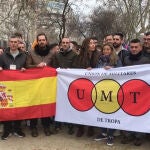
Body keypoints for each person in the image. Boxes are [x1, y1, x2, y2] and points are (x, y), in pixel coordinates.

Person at [121, 39, 150, 146]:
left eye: (136, 47)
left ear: (141, 47)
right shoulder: (126, 59)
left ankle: (139, 136)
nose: (133, 49)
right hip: (128, 91)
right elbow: (120, 73)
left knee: (141, 114)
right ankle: (128, 134)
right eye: (132, 47)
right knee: (127, 113)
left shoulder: (146, 60)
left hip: (143, 94)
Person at [73, 37, 101, 137]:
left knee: (93, 106)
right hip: (83, 85)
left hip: (95, 85)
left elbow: (100, 68)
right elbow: (76, 70)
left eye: (94, 43)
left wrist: (93, 70)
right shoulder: (79, 57)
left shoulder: (99, 55)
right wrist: (85, 70)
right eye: (91, 43)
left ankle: (91, 127)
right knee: (82, 106)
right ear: (86, 45)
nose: (93, 45)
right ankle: (81, 127)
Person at [94, 43, 122, 146]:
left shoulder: (116, 60)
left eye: (108, 49)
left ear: (111, 50)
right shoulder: (100, 60)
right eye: (104, 49)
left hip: (113, 90)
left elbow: (122, 72)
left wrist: (112, 69)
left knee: (112, 112)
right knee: (101, 111)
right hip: (101, 89)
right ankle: (103, 132)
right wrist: (90, 71)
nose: (105, 51)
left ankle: (110, 134)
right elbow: (96, 72)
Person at [26, 33, 53, 137]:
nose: (42, 42)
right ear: (37, 41)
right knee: (34, 106)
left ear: (46, 41)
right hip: (34, 85)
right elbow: (27, 66)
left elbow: (55, 67)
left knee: (45, 106)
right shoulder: (31, 53)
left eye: (43, 40)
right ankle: (33, 127)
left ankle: (46, 127)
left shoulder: (51, 53)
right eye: (40, 40)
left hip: (47, 85)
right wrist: (37, 66)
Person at [0, 35, 26, 140]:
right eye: (12, 42)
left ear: (18, 43)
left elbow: (28, 67)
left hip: (20, 86)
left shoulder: (24, 56)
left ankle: (17, 129)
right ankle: (7, 130)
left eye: (16, 42)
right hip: (7, 87)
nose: (14, 44)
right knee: (7, 107)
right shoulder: (2, 56)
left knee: (19, 107)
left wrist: (25, 69)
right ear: (9, 43)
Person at [50, 37, 77, 134]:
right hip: (59, 83)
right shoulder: (57, 55)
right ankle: (57, 124)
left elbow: (76, 68)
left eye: (67, 42)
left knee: (69, 104)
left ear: (69, 43)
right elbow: (53, 67)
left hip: (70, 84)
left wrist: (67, 70)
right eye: (63, 42)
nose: (65, 44)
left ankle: (70, 125)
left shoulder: (74, 54)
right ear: (61, 44)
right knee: (58, 104)